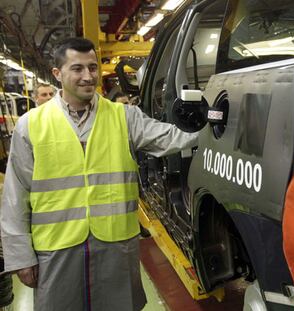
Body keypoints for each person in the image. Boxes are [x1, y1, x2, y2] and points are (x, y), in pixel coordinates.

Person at [0, 37, 198, 311]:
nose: (88, 76)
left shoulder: (124, 116)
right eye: (77, 69)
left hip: (115, 244)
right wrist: (21, 257)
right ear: (58, 74)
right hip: (58, 246)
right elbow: (15, 197)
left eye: (92, 68)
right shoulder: (31, 125)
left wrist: (211, 123)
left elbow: (170, 138)